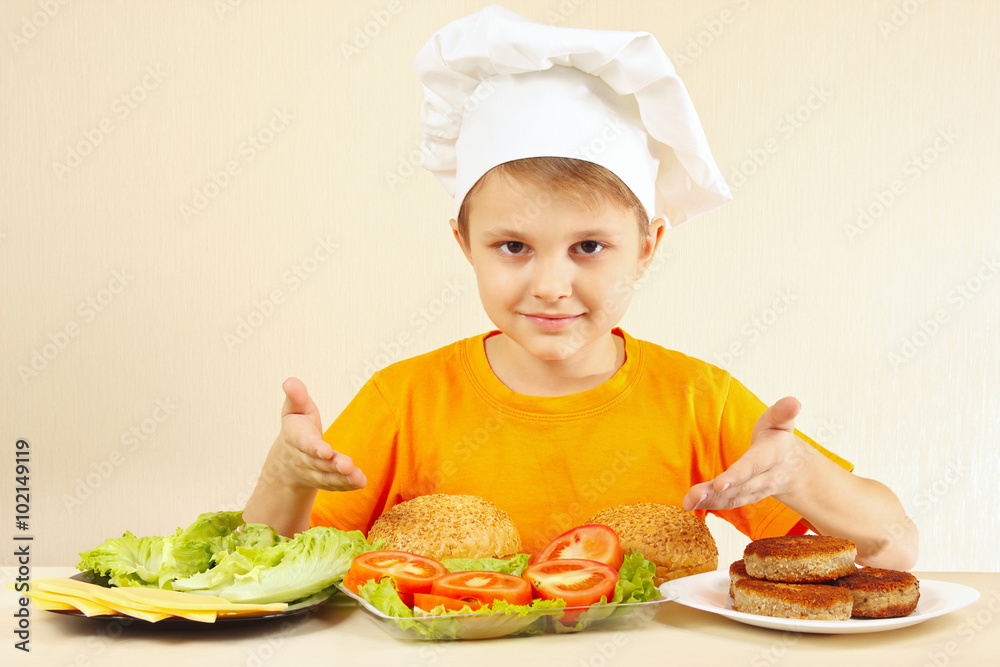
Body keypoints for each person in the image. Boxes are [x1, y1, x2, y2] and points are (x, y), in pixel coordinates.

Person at [244, 6, 917, 569]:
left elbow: (893, 546)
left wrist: (800, 475)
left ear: (649, 245)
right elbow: (263, 571)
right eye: (513, 246)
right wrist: (284, 476)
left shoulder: (698, 403)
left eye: (589, 247)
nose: (551, 284)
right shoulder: (404, 402)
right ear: (464, 244)